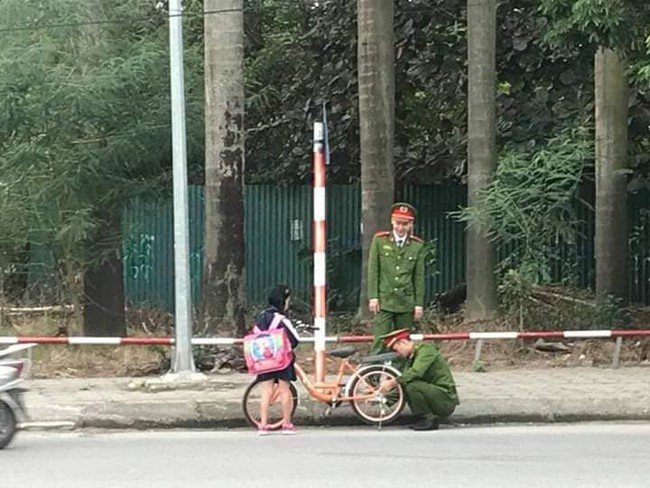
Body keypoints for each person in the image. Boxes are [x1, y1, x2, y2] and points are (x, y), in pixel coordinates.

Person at [367, 202, 426, 354]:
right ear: (392, 221)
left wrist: (418, 304)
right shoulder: (380, 241)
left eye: (405, 224)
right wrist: (373, 296)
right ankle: (371, 375)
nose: (400, 228)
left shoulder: (416, 246)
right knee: (380, 340)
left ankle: (400, 376)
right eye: (398, 223)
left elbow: (419, 277)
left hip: (405, 302)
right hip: (384, 300)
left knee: (403, 343)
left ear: (411, 224)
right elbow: (373, 270)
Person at [378, 328, 459, 431]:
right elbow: (403, 383)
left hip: (445, 398)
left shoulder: (426, 350)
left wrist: (392, 382)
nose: (397, 353)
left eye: (396, 349)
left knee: (412, 386)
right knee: (407, 382)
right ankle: (422, 418)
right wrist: (381, 396)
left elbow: (416, 372)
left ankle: (428, 419)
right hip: (434, 394)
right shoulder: (411, 357)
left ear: (403, 342)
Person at [253, 284, 300, 435]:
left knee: (266, 391)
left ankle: (263, 425)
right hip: (282, 362)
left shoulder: (260, 317)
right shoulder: (282, 319)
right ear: (283, 301)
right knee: (284, 390)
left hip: (264, 361)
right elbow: (295, 340)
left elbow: (255, 335)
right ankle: (286, 424)